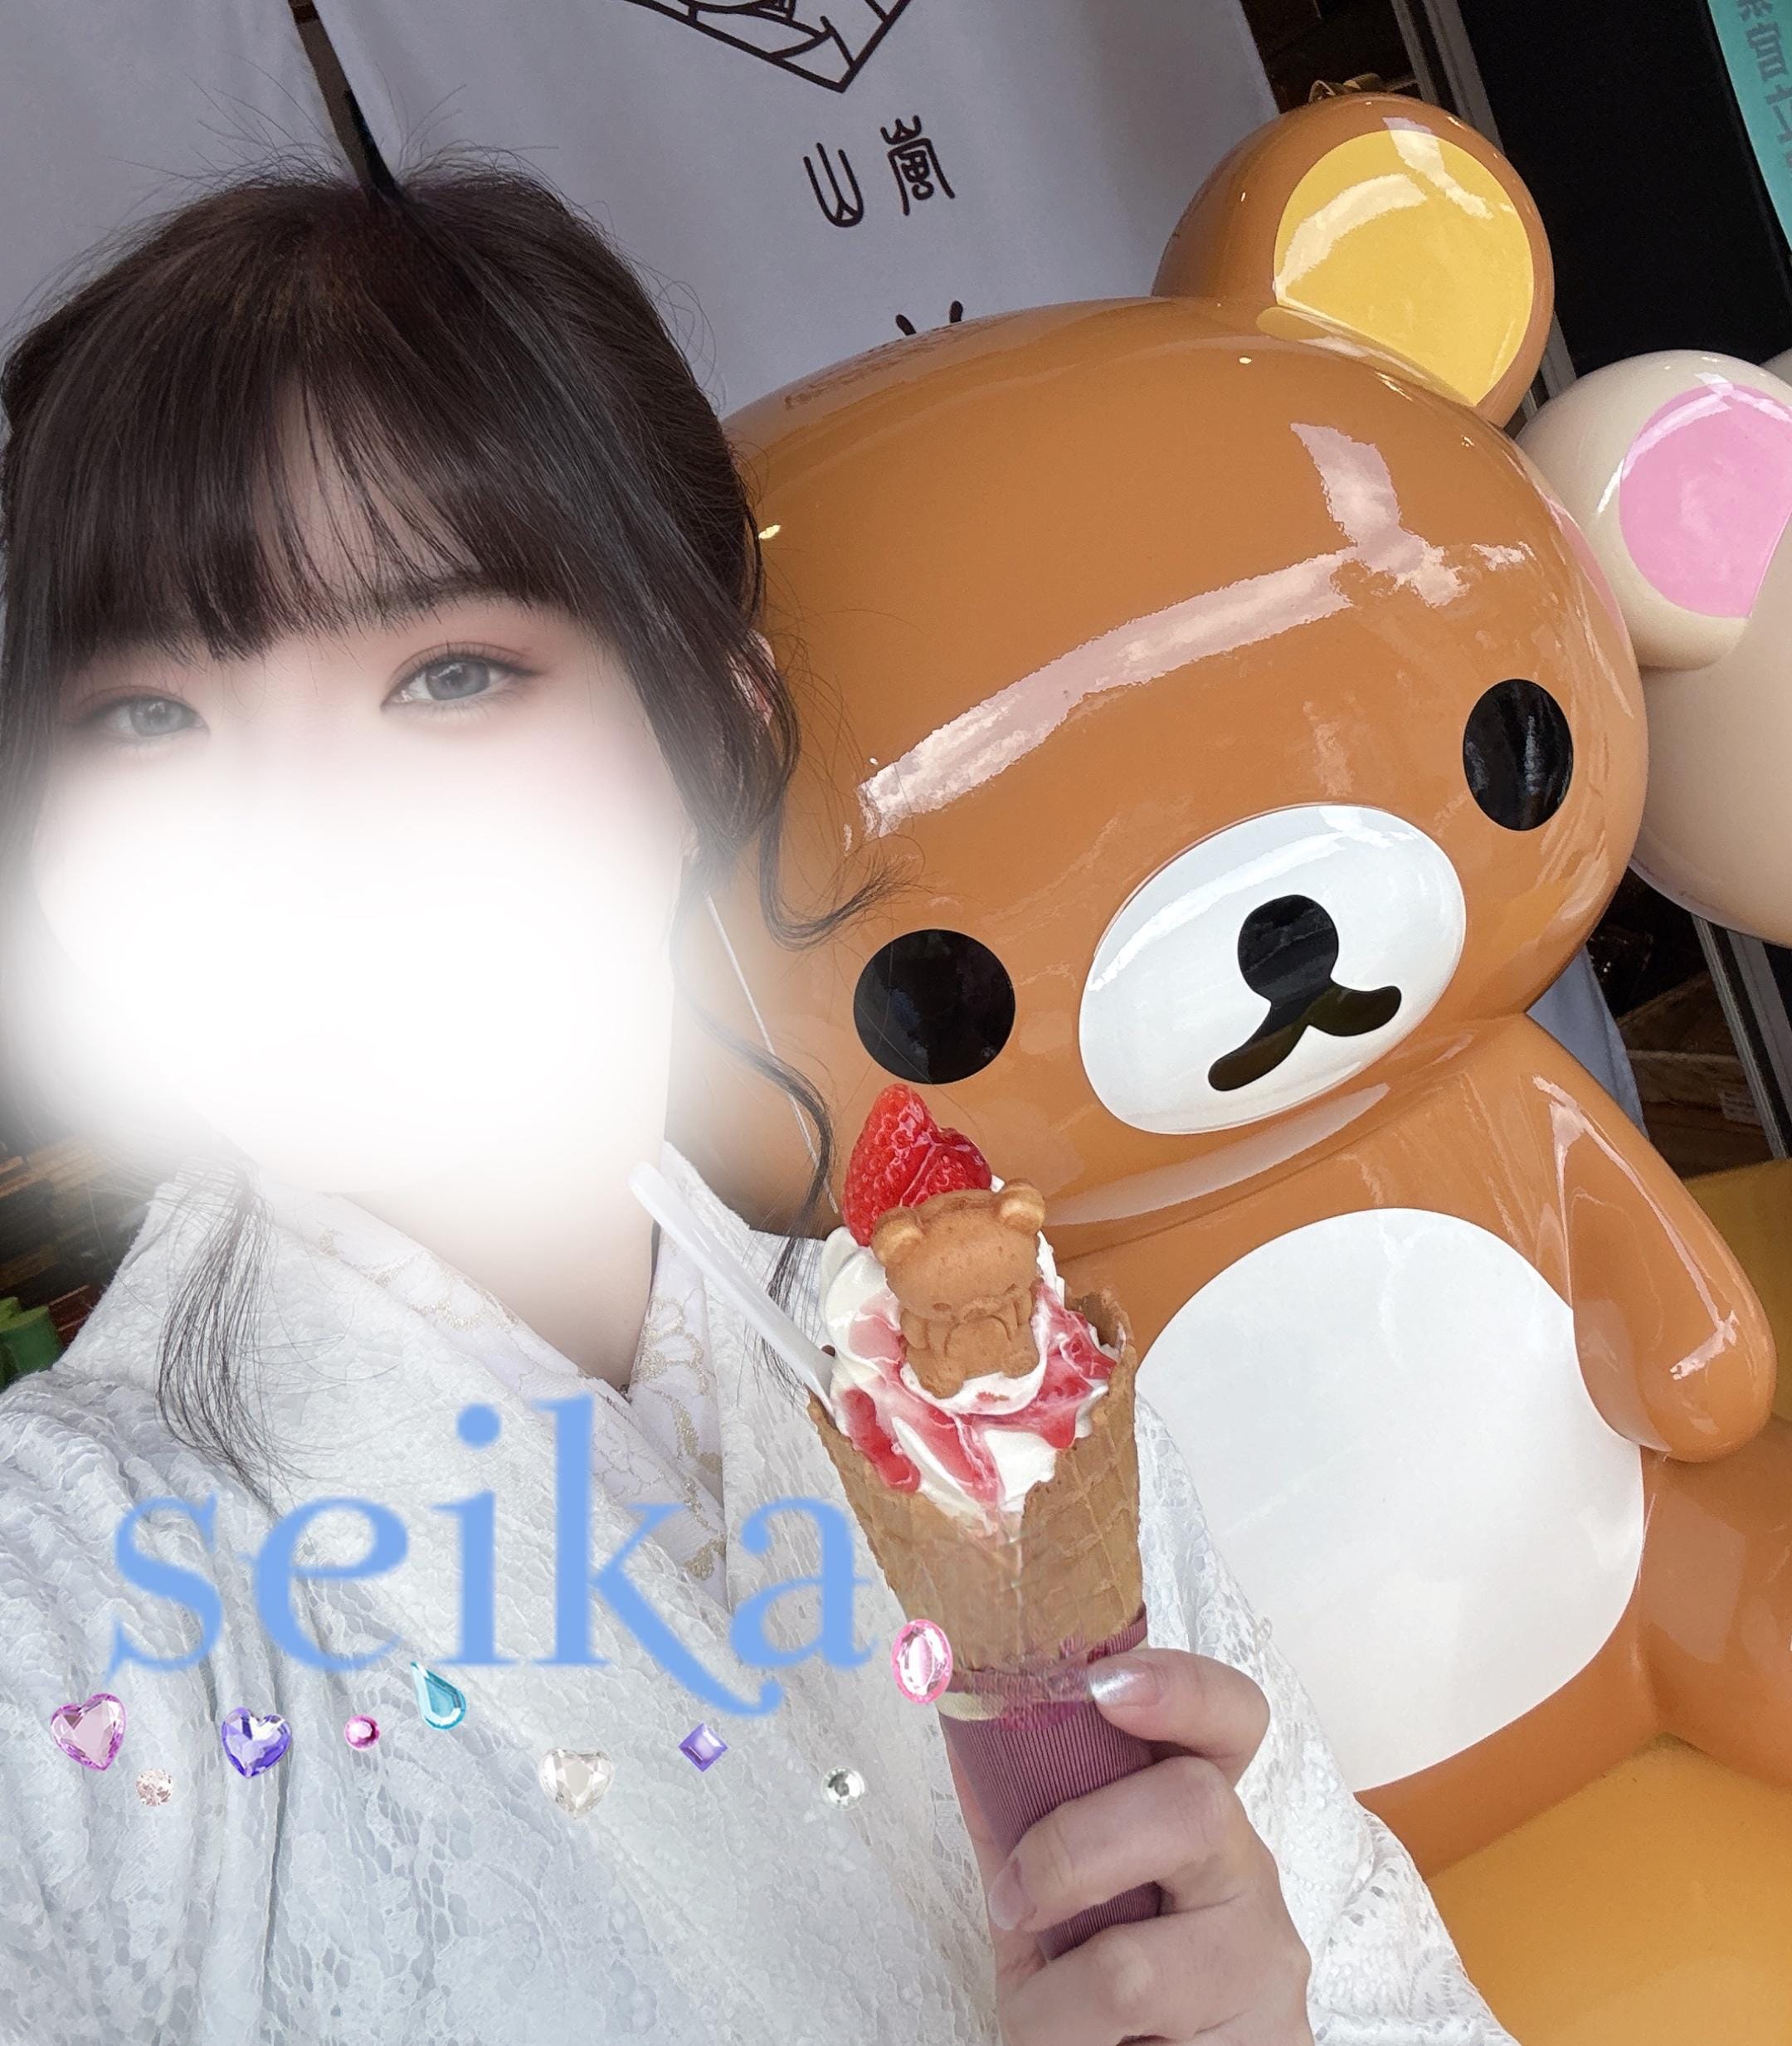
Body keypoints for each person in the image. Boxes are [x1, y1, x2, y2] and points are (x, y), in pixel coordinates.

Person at [0, 148, 1513, 2046]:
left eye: (450, 673)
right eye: (145, 716)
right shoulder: (81, 1600)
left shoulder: (972, 1395)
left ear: (714, 721)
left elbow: (1393, 1986)